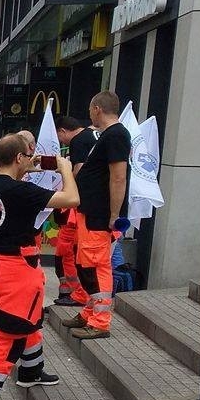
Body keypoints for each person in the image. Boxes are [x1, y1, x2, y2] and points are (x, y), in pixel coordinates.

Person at [0, 135, 79, 400]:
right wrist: (64, 168)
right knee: (10, 336)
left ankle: (31, 371)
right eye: (28, 155)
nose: (31, 159)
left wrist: (31, 166)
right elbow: (72, 199)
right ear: (18, 158)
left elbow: (13, 185)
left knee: (29, 320)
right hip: (15, 266)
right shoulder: (20, 191)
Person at [68, 92, 130, 340]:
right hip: (90, 211)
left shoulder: (115, 135)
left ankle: (100, 321)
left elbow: (118, 177)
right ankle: (89, 312)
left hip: (99, 214)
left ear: (97, 109)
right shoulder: (109, 135)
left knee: (95, 265)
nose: (89, 114)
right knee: (85, 265)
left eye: (90, 109)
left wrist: (114, 215)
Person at [50, 115, 94, 307]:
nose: (62, 142)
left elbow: (78, 170)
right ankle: (79, 293)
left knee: (69, 253)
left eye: (61, 138)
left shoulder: (78, 141)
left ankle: (79, 294)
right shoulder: (94, 136)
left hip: (77, 210)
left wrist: (65, 176)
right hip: (87, 207)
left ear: (63, 131)